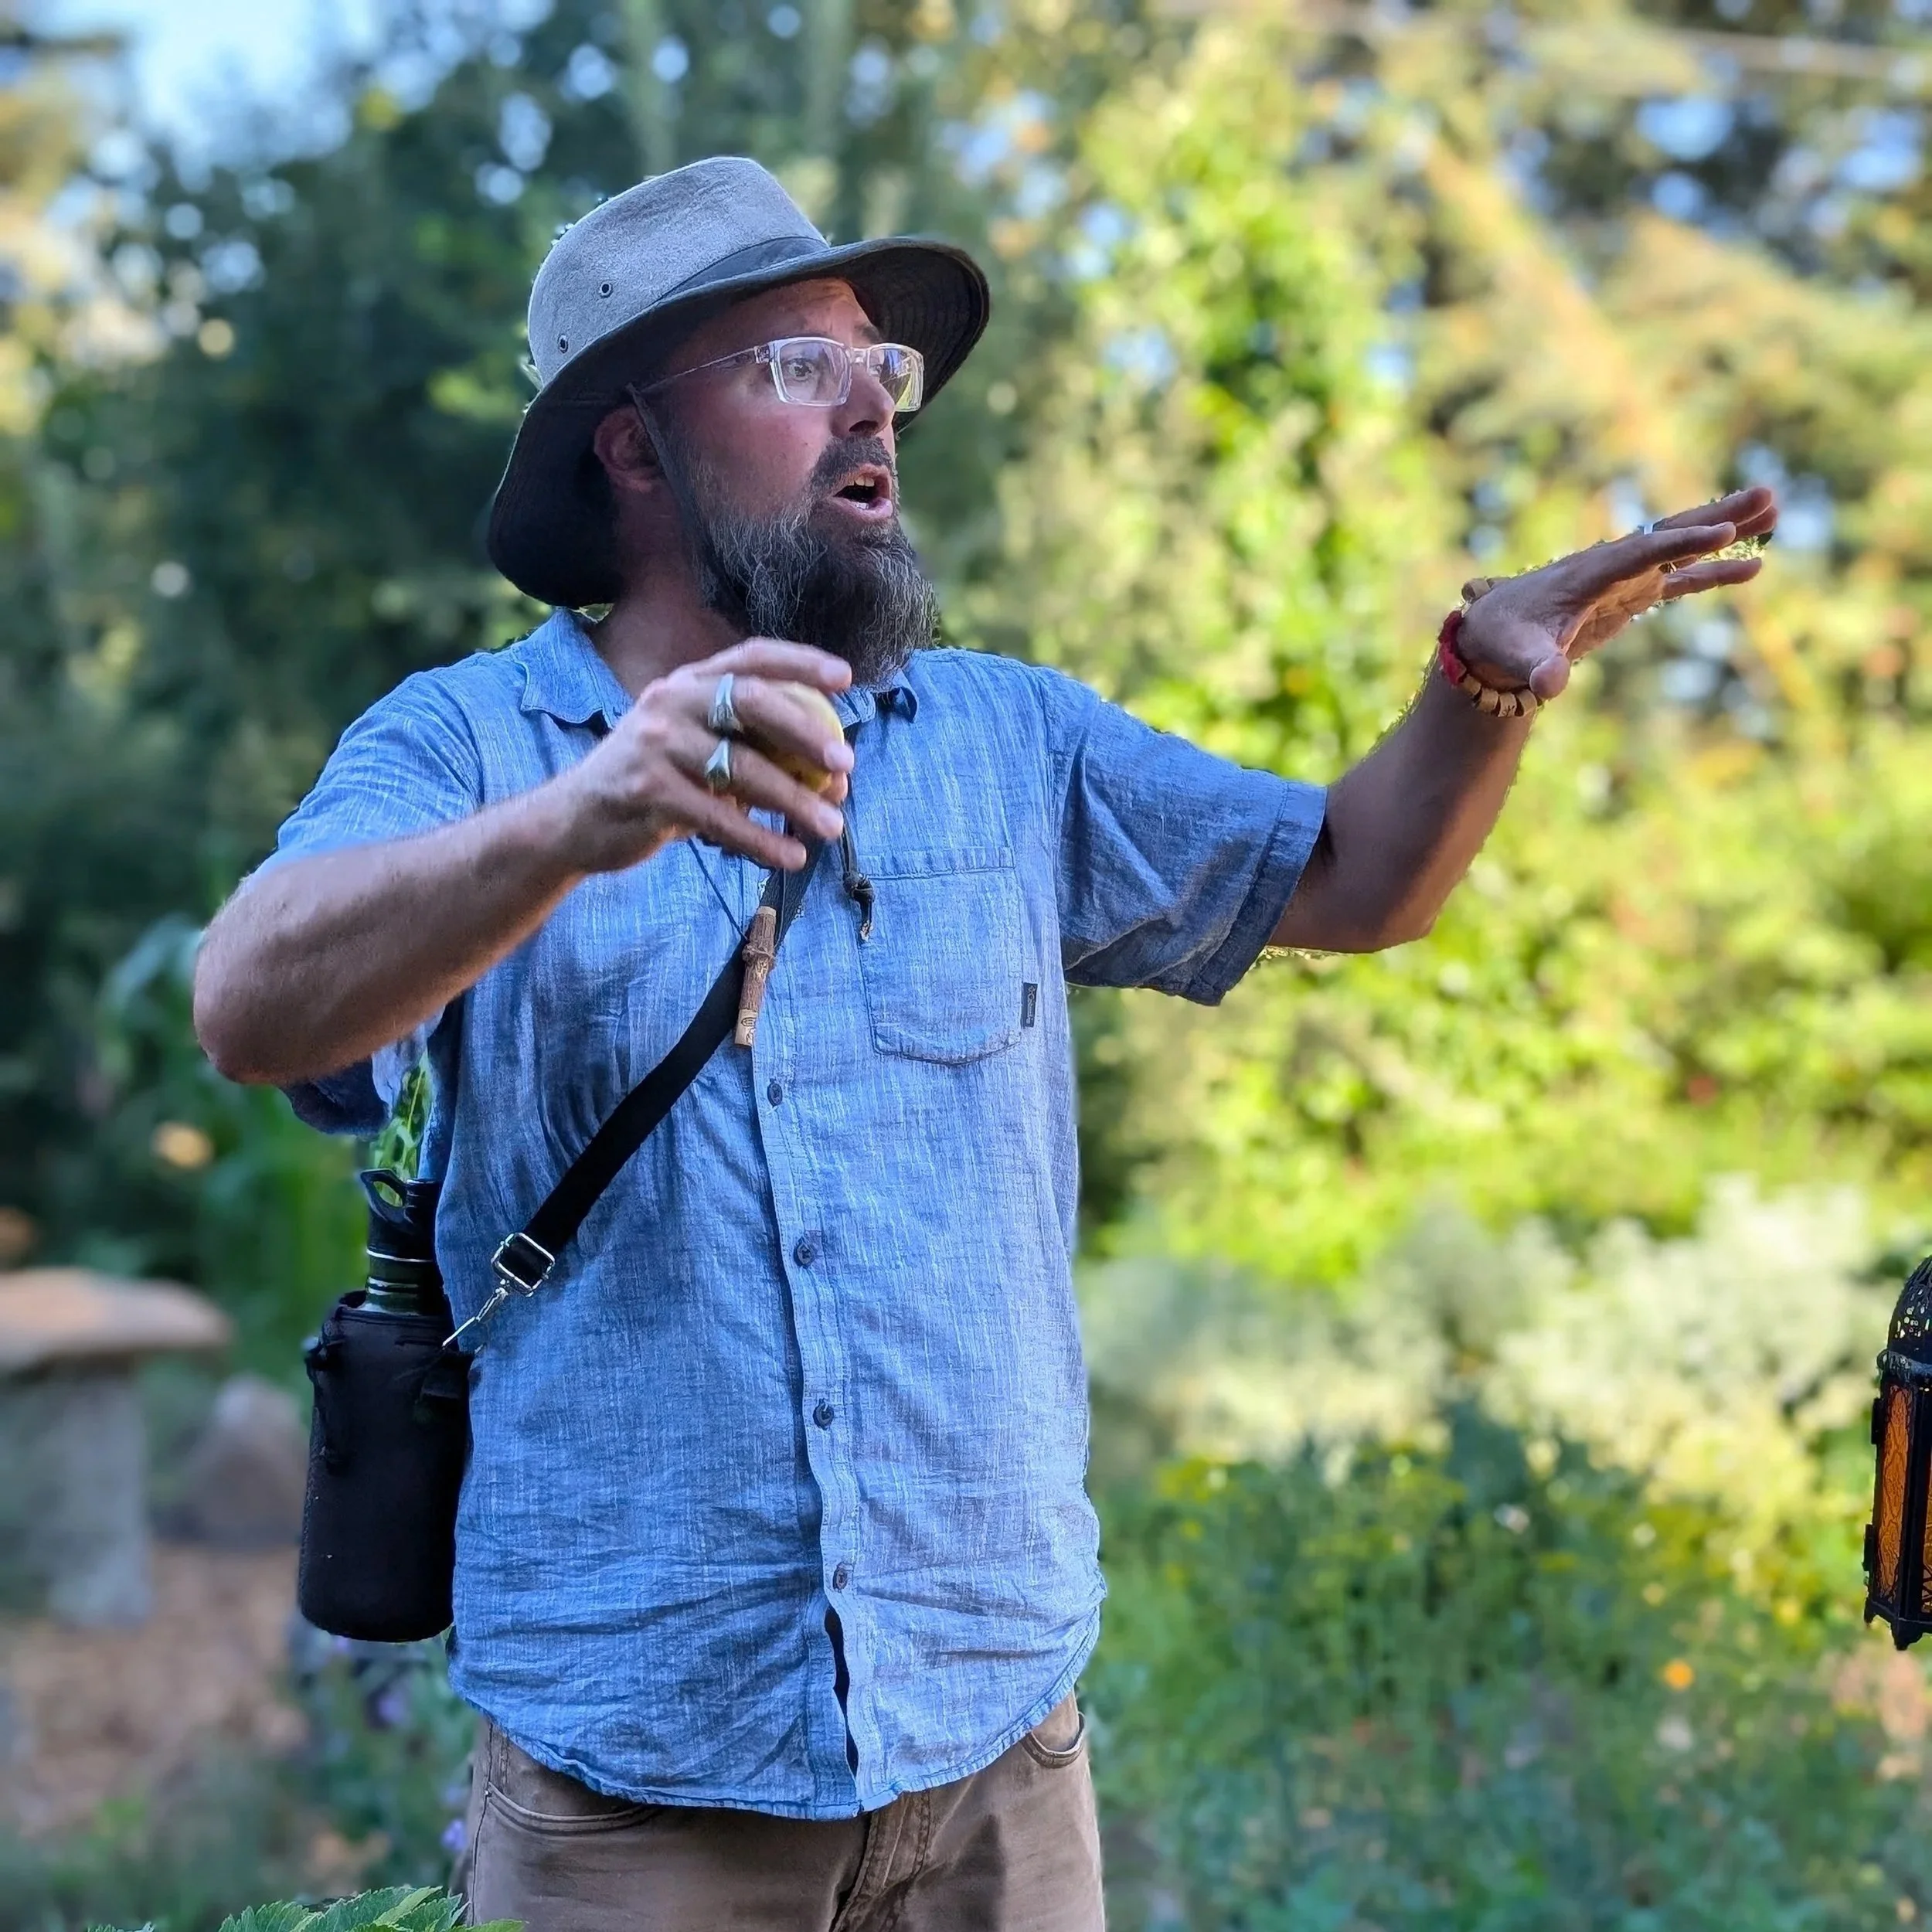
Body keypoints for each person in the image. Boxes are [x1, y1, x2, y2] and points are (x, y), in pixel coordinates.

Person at [191, 157, 1774, 1931]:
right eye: (798, 364)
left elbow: (1353, 872)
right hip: (632, 1803)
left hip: (1000, 1771)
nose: (874, 400)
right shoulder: (474, 748)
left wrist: (1478, 688)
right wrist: (581, 817)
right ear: (629, 447)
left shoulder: (1009, 740)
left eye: (882, 368)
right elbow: (248, 1003)